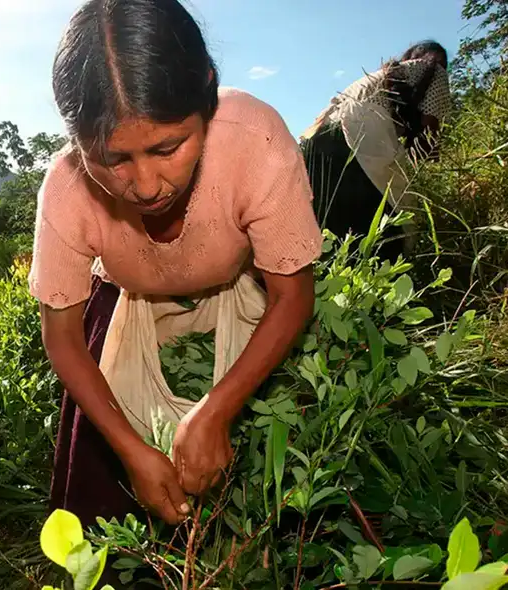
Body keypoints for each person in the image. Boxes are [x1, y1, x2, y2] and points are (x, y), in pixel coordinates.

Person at [32, 0, 321, 542]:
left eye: (168, 147)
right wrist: (130, 448)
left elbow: (292, 295)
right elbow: (63, 336)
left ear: (207, 92)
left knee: (276, 481)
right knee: (104, 492)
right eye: (113, 160)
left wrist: (216, 411)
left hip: (246, 290)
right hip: (126, 300)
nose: (146, 187)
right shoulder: (67, 189)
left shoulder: (254, 140)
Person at [299, 41, 453, 261]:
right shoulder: (435, 71)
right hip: (358, 132)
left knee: (329, 221)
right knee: (389, 217)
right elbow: (429, 136)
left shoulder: (388, 74)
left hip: (318, 135)